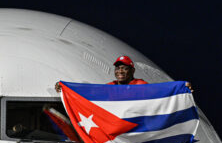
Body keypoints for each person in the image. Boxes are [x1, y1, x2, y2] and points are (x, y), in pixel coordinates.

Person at [55, 55, 193, 91]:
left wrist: (180, 87)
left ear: (132, 71)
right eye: (118, 68)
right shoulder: (111, 86)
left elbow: (158, 90)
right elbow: (91, 91)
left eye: (124, 68)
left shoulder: (139, 84)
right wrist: (66, 88)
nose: (120, 71)